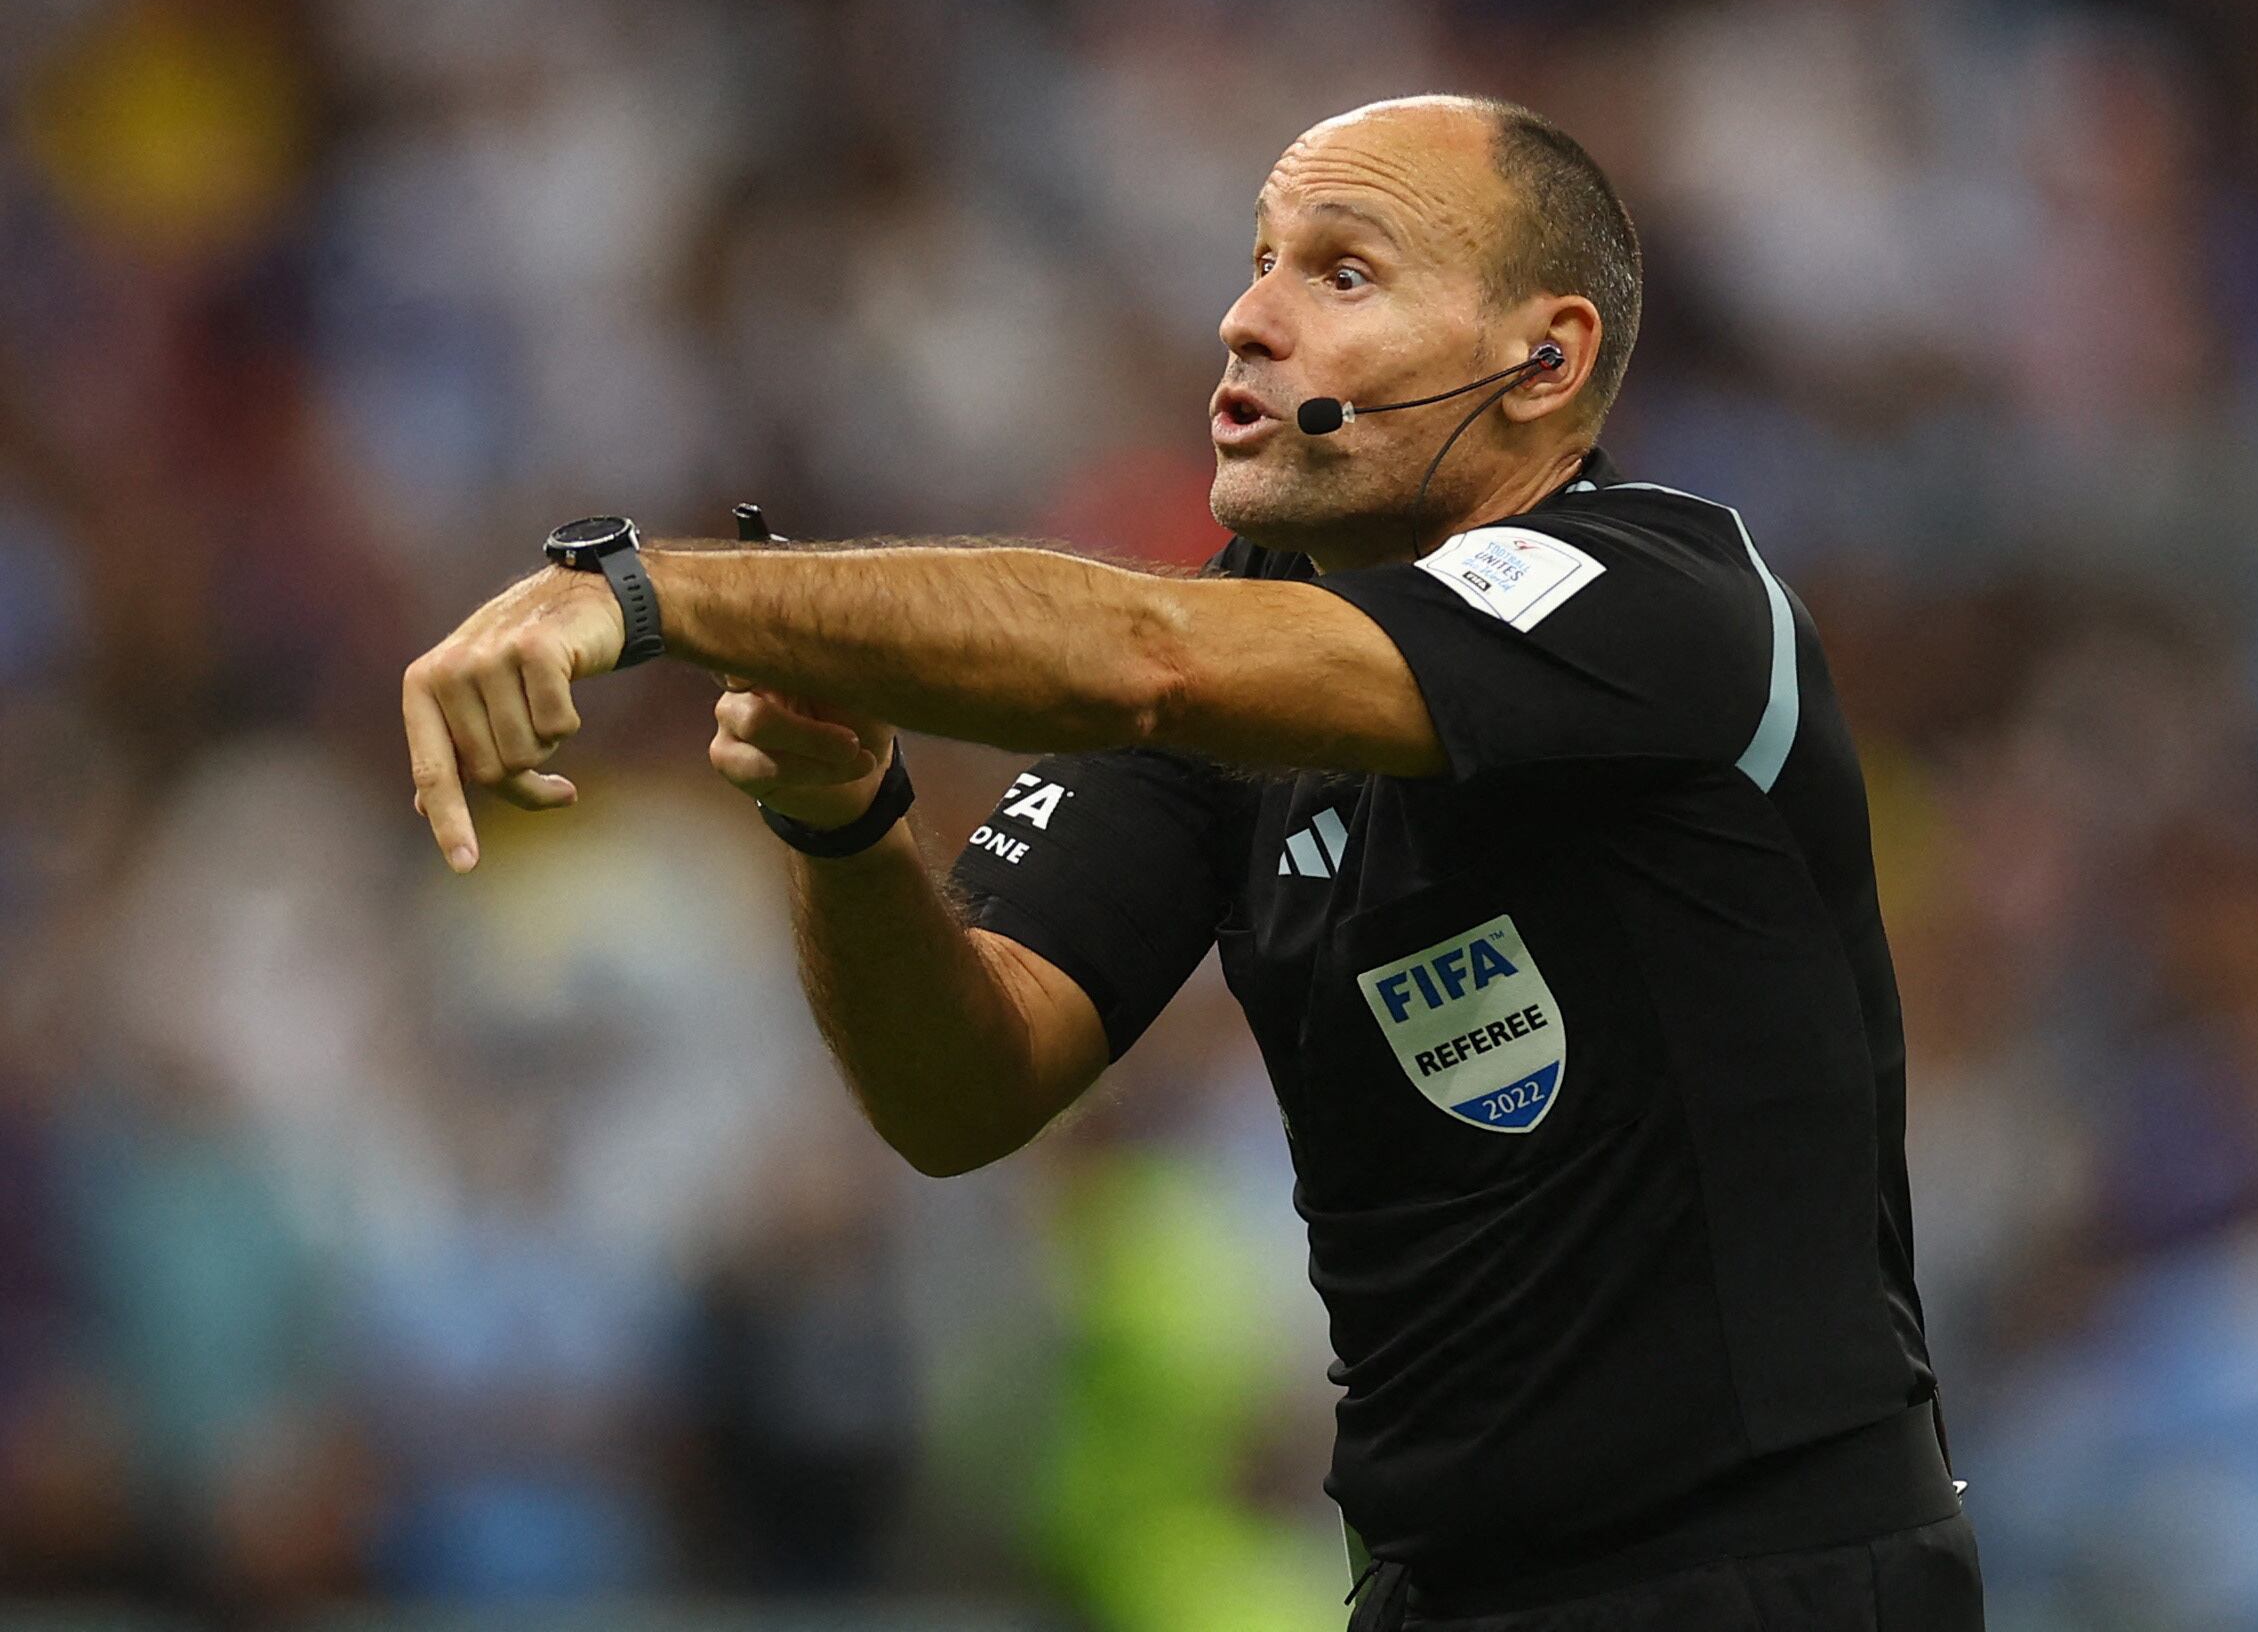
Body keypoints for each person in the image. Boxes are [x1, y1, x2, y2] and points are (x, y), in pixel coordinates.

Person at [400, 95, 1986, 1630]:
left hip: (1765, 1582)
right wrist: (845, 822)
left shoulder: (1659, 596)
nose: (1244, 318)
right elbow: (961, 1091)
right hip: (1436, 1588)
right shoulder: (1242, 660)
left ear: (1542, 359)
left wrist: (644, 595)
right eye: (1259, 260)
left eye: (1342, 272)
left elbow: (1139, 656)